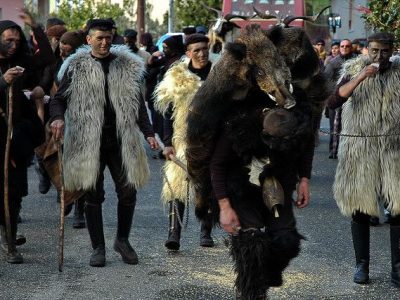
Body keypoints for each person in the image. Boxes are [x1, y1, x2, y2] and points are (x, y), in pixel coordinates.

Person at [186, 26, 316, 299]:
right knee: (252, 246)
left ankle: (270, 271)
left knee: (286, 241)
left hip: (276, 180)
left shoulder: (296, 117)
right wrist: (223, 206)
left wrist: (304, 178)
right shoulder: (239, 125)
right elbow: (217, 166)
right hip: (240, 184)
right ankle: (251, 294)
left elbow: (305, 146)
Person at [49, 19, 158, 267]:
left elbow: (138, 104)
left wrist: (149, 132)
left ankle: (122, 240)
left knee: (128, 191)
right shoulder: (76, 66)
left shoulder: (126, 65)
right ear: (89, 40)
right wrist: (57, 119)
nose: (104, 42)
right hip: (89, 140)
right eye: (99, 38)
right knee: (93, 194)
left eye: (108, 37)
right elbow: (58, 100)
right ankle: (98, 247)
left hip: (121, 139)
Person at [329, 32, 400, 287]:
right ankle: (362, 266)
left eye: (384, 51)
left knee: (398, 211)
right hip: (361, 152)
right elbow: (335, 100)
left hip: (394, 152)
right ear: (366, 50)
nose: (379, 56)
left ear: (392, 50)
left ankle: (397, 270)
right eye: (374, 50)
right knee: (360, 210)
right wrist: (360, 77)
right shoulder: (353, 69)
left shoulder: (398, 73)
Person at [154, 34, 216, 250]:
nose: (202, 53)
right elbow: (165, 112)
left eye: (204, 49)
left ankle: (206, 231)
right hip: (182, 138)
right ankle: (174, 233)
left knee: (208, 184)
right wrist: (167, 142)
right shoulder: (176, 77)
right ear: (188, 53)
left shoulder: (218, 74)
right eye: (196, 50)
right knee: (175, 184)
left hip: (212, 139)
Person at [0, 10, 52, 263]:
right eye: (8, 41)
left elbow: (46, 60)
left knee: (15, 189)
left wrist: (37, 30)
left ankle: (10, 239)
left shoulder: (19, 61)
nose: (13, 45)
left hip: (17, 135)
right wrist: (2, 81)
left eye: (17, 41)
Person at [324, 38, 356, 159]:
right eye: (342, 46)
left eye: (347, 46)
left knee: (349, 127)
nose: (344, 48)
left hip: (351, 100)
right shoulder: (333, 63)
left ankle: (346, 151)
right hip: (335, 99)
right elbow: (325, 81)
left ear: (351, 47)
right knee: (335, 127)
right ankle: (334, 151)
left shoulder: (356, 62)